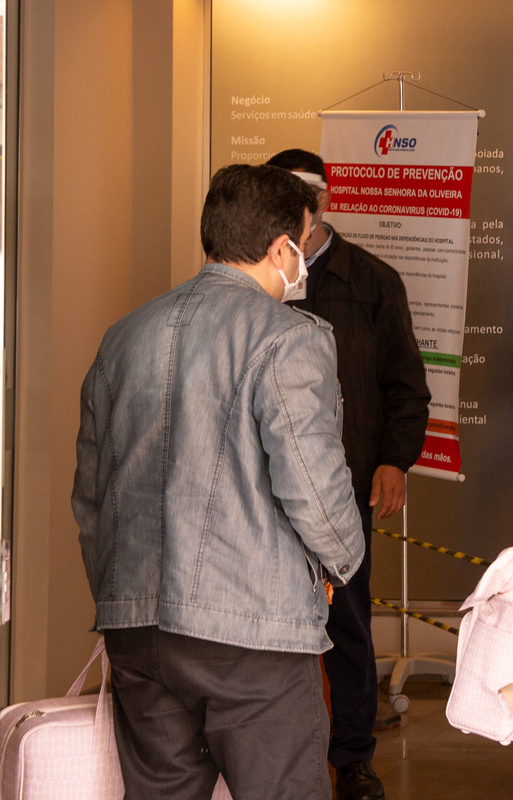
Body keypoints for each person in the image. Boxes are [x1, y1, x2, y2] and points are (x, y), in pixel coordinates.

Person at [73, 164, 365, 800]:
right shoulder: (289, 338)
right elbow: (313, 487)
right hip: (252, 632)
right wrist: (343, 564)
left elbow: (92, 497)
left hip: (137, 631)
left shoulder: (122, 338)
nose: (303, 260)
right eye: (303, 244)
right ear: (280, 249)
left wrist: (122, 595)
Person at [264, 149, 431, 800]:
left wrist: (395, 460)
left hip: (343, 487)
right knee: (266, 627)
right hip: (261, 489)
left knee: (347, 624)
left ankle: (353, 758)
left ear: (322, 203)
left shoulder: (371, 281)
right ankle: (272, 757)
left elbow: (405, 385)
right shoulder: (256, 280)